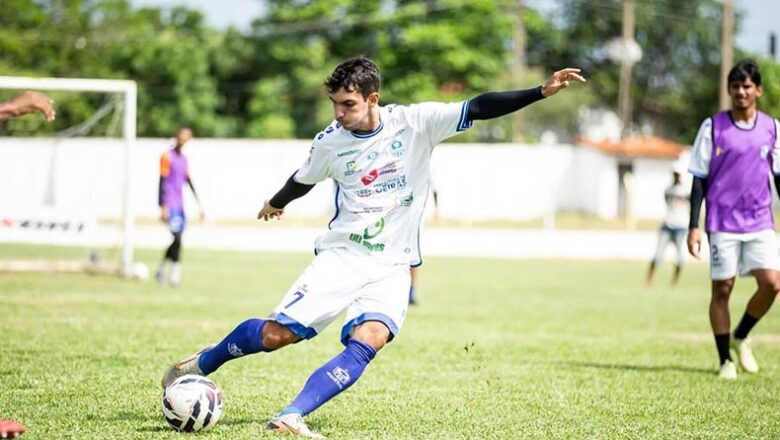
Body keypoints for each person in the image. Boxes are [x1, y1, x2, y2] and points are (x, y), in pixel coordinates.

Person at [161, 56, 585, 437]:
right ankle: (204, 362)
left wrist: (539, 91)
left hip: (394, 265)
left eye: (348, 104)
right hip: (343, 257)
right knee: (277, 336)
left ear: (373, 98)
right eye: (335, 104)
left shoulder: (415, 123)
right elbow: (302, 180)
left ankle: (290, 416)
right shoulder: (330, 141)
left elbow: (477, 106)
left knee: (371, 337)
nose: (339, 113)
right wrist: (276, 202)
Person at [688, 59, 780, 380]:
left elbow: (779, 177)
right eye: (735, 86)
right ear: (728, 90)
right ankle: (725, 360)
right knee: (723, 289)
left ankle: (741, 335)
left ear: (758, 90)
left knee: (772, 284)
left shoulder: (772, 128)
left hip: (760, 220)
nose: (741, 92)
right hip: (722, 220)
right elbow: (698, 178)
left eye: (747, 86)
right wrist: (693, 226)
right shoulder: (713, 127)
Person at [156, 127, 204, 287]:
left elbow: (189, 181)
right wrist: (163, 205)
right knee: (176, 238)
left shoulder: (184, 159)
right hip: (170, 204)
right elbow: (162, 181)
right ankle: (172, 273)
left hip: (180, 204)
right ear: (177, 137)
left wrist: (199, 205)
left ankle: (165, 270)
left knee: (179, 239)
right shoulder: (166, 156)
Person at [646, 169, 689, 287]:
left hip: (681, 227)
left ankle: (674, 283)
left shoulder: (687, 190)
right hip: (667, 225)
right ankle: (649, 280)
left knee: (679, 257)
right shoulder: (668, 190)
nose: (676, 177)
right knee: (658, 255)